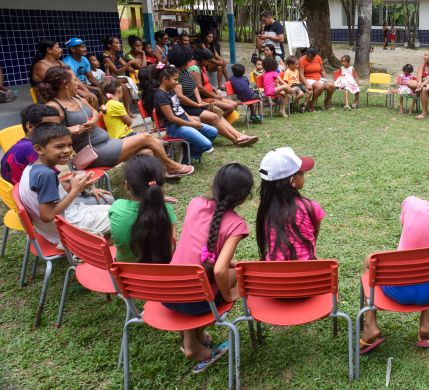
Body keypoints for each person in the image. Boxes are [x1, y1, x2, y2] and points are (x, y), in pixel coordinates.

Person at [360, 157, 429, 354]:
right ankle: (426, 326)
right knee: (428, 265)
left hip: (398, 289)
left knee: (371, 261)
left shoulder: (411, 204)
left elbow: (407, 224)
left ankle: (370, 325)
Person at [166, 163, 253, 369]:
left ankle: (196, 338)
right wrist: (228, 294)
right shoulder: (236, 224)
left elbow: (199, 253)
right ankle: (193, 347)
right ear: (243, 198)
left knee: (198, 280)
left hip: (167, 291)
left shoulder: (195, 203)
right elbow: (220, 270)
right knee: (241, 277)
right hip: (194, 301)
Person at [38, 66, 194, 176]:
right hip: (95, 152)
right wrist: (71, 130)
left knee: (146, 151)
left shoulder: (76, 98)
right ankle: (171, 167)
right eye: (75, 80)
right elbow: (47, 134)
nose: (78, 82)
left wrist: (93, 120)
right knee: (146, 138)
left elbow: (94, 110)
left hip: (108, 143)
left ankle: (154, 180)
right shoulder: (54, 107)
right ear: (65, 84)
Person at [18, 123, 113, 245]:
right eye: (60, 146)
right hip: (67, 228)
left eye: (70, 145)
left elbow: (45, 192)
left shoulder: (31, 168)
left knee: (113, 209)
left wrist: (74, 184)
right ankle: (97, 247)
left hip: (59, 225)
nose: (67, 150)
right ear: (39, 149)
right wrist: (75, 190)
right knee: (125, 217)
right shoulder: (46, 175)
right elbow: (47, 216)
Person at [167, 46, 258, 146]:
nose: (190, 61)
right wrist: (197, 104)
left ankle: (239, 135)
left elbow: (195, 87)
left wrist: (199, 101)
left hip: (195, 104)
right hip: (186, 108)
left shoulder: (184, 71)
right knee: (214, 116)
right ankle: (235, 140)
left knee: (217, 114)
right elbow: (180, 97)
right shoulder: (175, 74)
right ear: (183, 60)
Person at [256, 147, 325, 260]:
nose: (303, 176)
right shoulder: (311, 207)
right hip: (309, 274)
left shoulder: (265, 209)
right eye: (301, 174)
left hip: (272, 275)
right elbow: (313, 237)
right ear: (292, 181)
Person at [109, 155, 176, 263]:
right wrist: (157, 202)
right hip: (161, 275)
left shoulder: (117, 207)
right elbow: (171, 246)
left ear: (127, 185)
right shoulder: (166, 210)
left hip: (124, 276)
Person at [145, 64, 217, 162]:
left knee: (213, 132)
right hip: (174, 127)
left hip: (184, 122)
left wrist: (191, 119)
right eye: (175, 79)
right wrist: (192, 124)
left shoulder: (170, 91)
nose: (177, 82)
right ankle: (186, 159)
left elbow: (180, 109)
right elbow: (172, 119)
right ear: (165, 79)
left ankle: (189, 155)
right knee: (207, 144)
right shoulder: (160, 96)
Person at [1, 104, 61, 184]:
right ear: (30, 127)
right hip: (28, 194)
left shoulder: (23, 145)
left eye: (58, 126)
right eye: (48, 126)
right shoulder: (35, 149)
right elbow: (52, 181)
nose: (56, 130)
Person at [187, 49, 239, 121]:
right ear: (202, 59)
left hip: (210, 94)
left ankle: (222, 122)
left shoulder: (201, 66)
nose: (208, 63)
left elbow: (206, 81)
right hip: (203, 98)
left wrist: (214, 89)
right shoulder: (194, 68)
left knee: (235, 104)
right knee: (231, 107)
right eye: (208, 61)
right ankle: (217, 123)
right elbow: (199, 88)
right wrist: (214, 96)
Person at [406, 49, 429, 120]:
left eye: (426, 55)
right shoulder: (423, 64)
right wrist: (420, 84)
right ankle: (420, 89)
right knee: (408, 82)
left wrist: (421, 85)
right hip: (424, 84)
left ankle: (424, 113)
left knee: (423, 89)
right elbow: (419, 77)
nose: (423, 57)